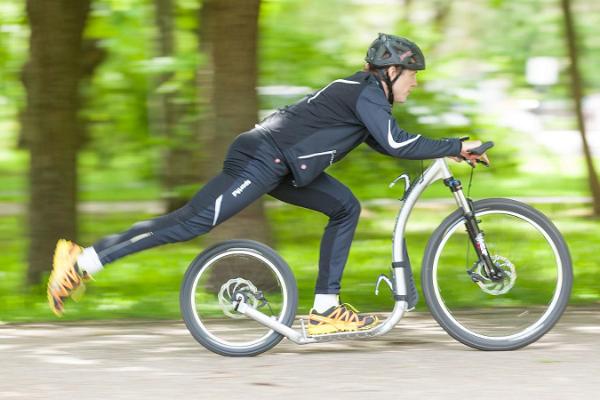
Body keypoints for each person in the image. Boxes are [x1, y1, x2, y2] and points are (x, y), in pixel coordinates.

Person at [47, 33, 486, 335]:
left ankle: (324, 311)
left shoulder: (364, 97)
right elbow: (395, 142)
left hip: (283, 166)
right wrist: (456, 142)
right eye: (412, 76)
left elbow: (387, 143)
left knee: (344, 207)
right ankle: (83, 262)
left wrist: (446, 150)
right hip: (262, 158)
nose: (414, 84)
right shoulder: (366, 91)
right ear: (390, 71)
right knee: (190, 223)